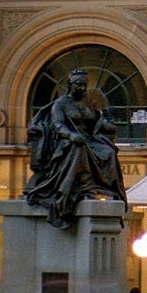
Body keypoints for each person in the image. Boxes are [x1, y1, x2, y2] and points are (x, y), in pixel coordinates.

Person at [23, 67, 127, 228]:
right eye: (79, 85)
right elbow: (58, 124)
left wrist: (107, 126)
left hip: (89, 138)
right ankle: (84, 185)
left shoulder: (86, 103)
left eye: (84, 85)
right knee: (79, 148)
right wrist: (71, 135)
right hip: (67, 141)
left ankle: (104, 187)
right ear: (70, 85)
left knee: (109, 152)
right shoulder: (60, 104)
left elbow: (95, 121)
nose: (83, 88)